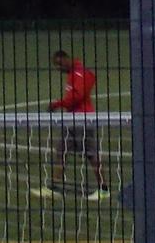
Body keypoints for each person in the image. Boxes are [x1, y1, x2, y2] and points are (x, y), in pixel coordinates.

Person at [48, 48, 111, 201]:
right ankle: (53, 187)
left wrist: (57, 104)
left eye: (58, 64)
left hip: (83, 120)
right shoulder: (72, 74)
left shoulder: (80, 73)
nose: (58, 68)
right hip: (71, 119)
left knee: (91, 155)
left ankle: (104, 189)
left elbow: (77, 96)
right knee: (61, 151)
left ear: (65, 59)